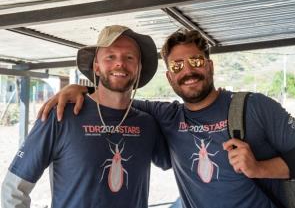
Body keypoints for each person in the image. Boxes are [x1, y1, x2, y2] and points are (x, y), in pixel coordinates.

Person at [37, 29, 295, 208]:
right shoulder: (167, 115)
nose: (189, 70)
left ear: (209, 66)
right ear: (169, 76)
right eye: (177, 65)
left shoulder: (254, 106)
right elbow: (116, 97)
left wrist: (259, 168)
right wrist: (84, 89)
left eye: (197, 61)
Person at [1, 25, 170, 208]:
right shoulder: (60, 115)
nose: (120, 63)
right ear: (96, 67)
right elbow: (13, 191)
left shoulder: (147, 124)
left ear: (138, 68)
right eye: (110, 56)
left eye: (129, 57)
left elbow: (185, 162)